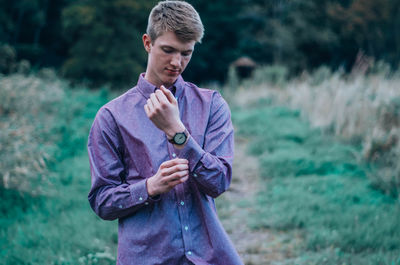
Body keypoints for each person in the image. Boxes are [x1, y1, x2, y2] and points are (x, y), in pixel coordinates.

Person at [87, 1, 243, 264]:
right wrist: (150, 187)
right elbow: (102, 201)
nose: (176, 62)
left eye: (186, 53)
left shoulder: (212, 105)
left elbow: (219, 181)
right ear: (148, 43)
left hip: (209, 256)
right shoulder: (111, 117)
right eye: (168, 50)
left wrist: (176, 131)